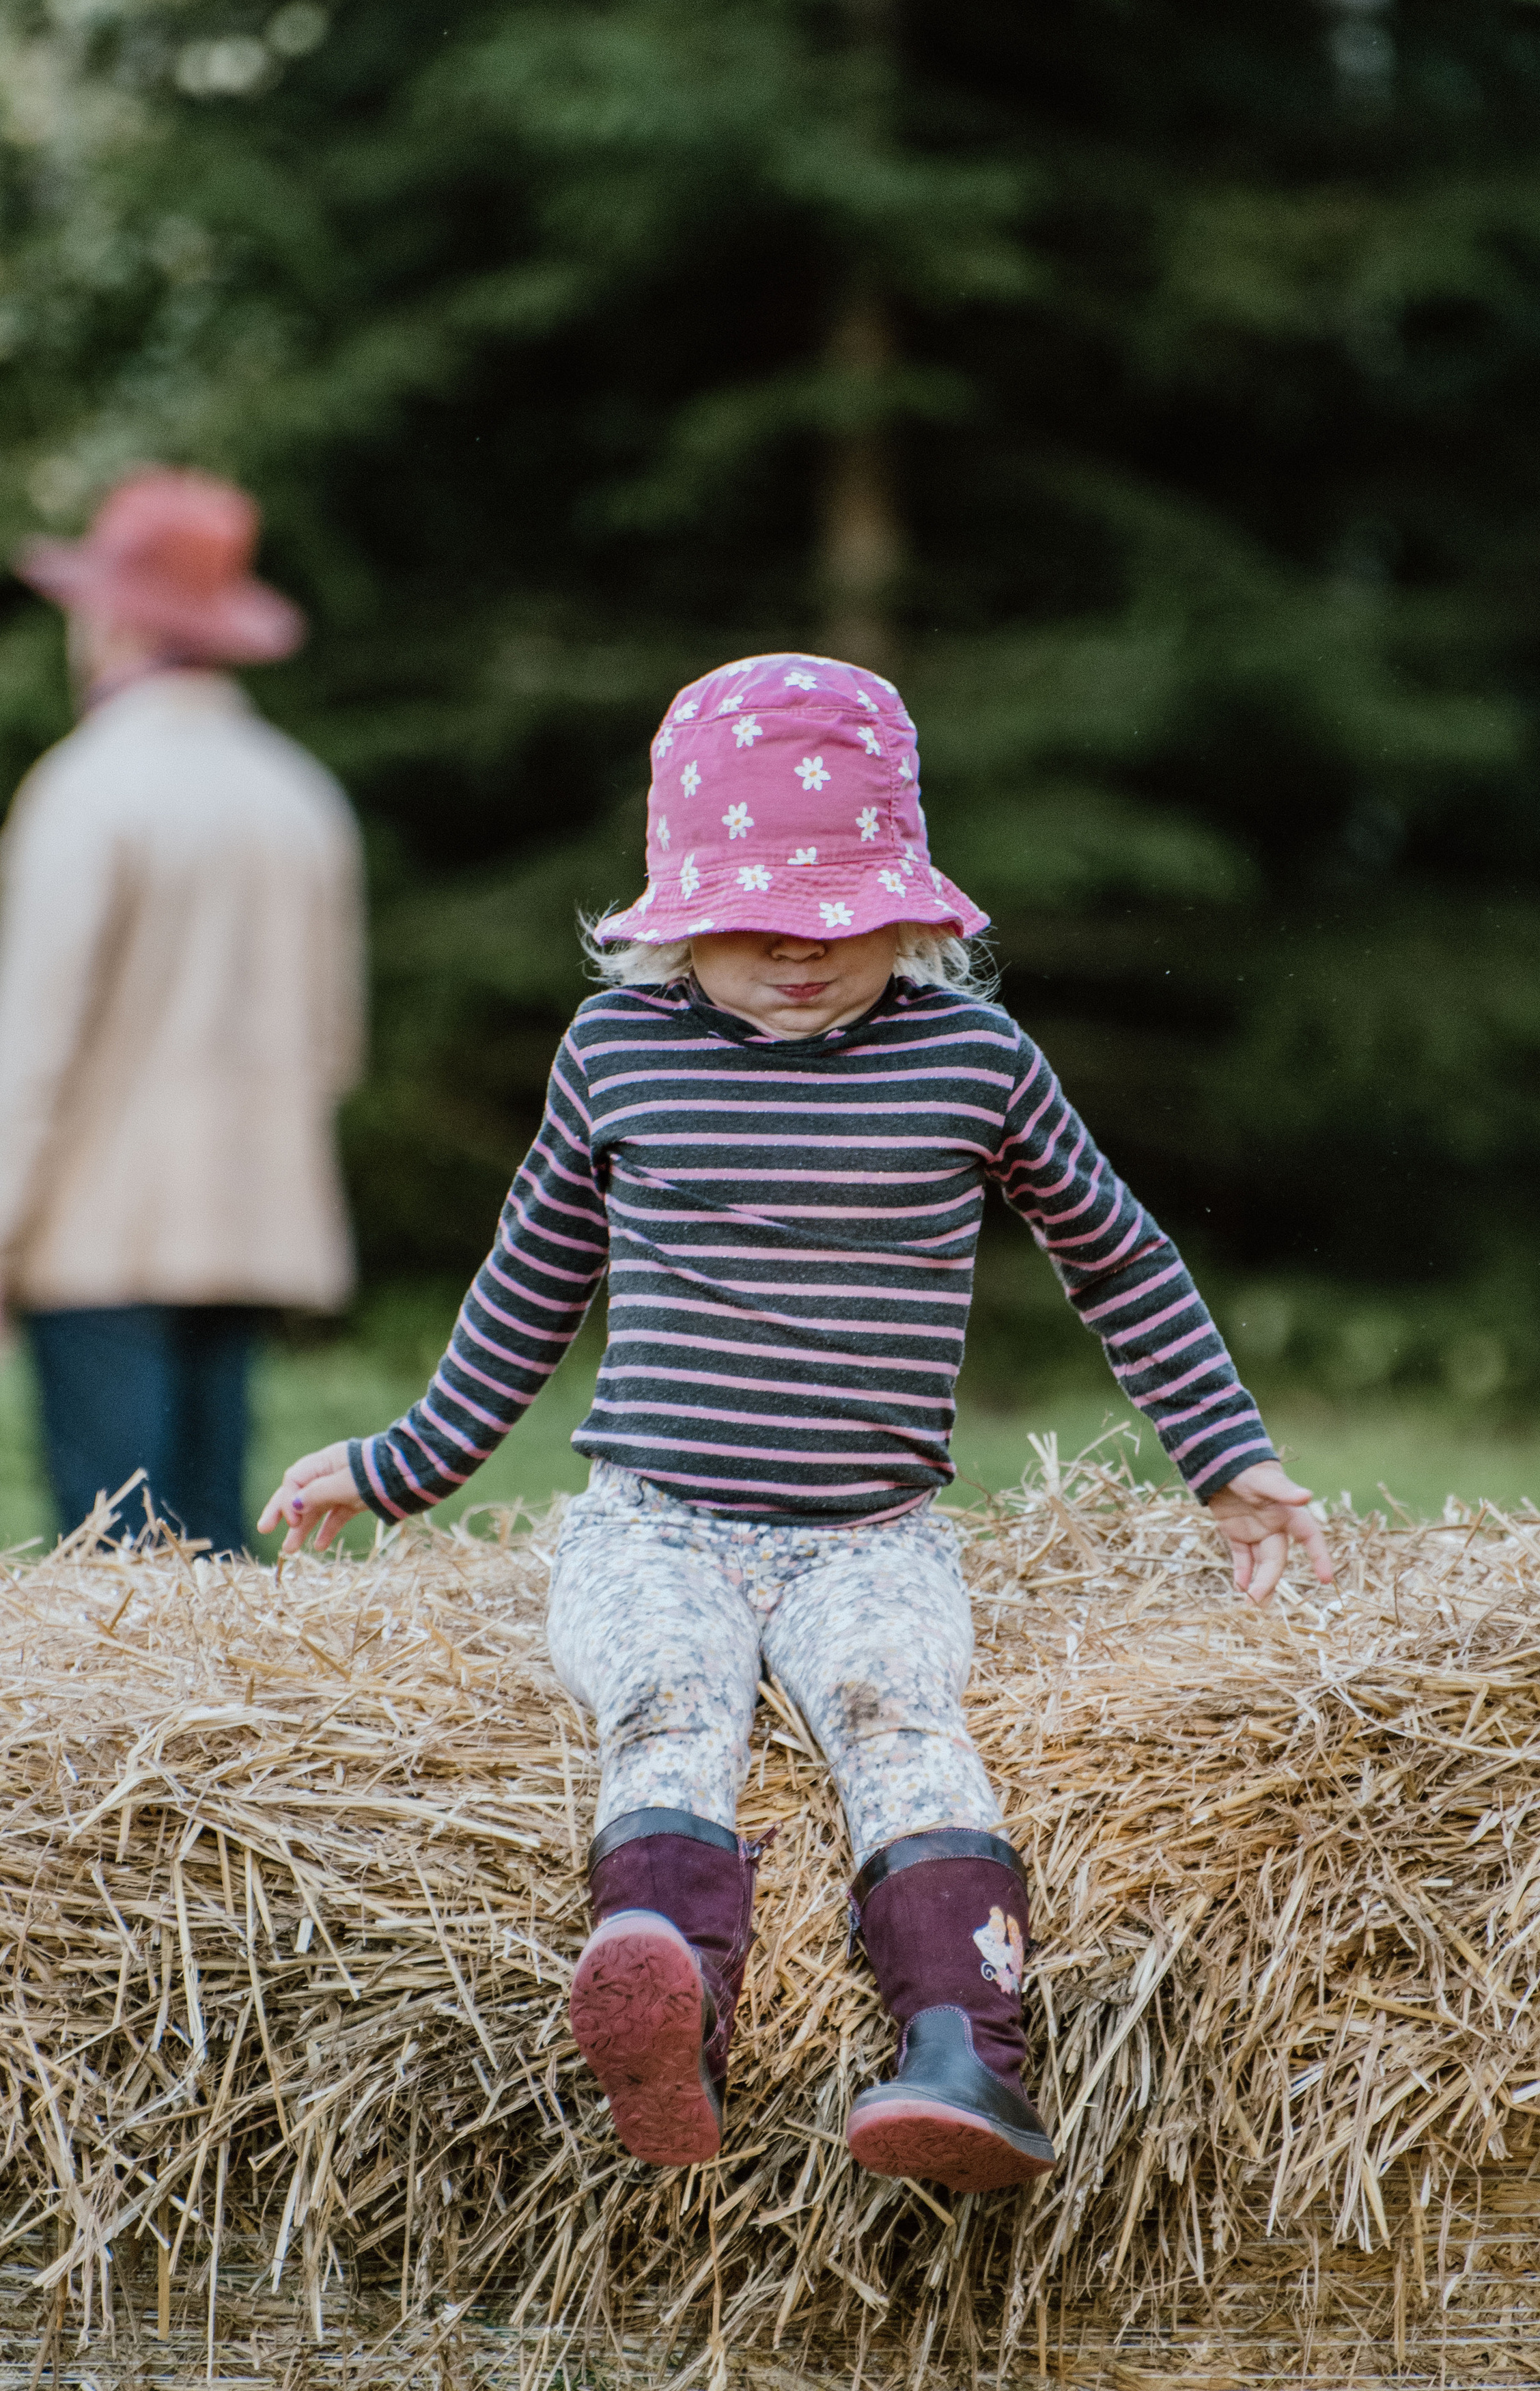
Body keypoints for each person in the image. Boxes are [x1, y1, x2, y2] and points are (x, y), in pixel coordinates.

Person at [258, 652, 1330, 2193]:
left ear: (911, 903)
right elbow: (526, 1290)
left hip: (869, 1533)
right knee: (665, 1701)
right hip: (655, 1518)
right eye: (748, 922)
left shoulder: (971, 1061)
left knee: (903, 1719)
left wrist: (1228, 1461)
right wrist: (401, 1464)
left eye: (836, 916)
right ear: (671, 913)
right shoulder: (615, 1057)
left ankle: (966, 2055)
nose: (797, 953)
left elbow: (1117, 1255)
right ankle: (665, 2014)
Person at [0, 467, 365, 1558]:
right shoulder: (298, 793)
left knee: (116, 1576)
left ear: (111, 617)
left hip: (102, 1238)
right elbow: (333, 1044)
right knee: (216, 1565)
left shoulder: (85, 789)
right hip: (252, 1227)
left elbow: (34, 1048)